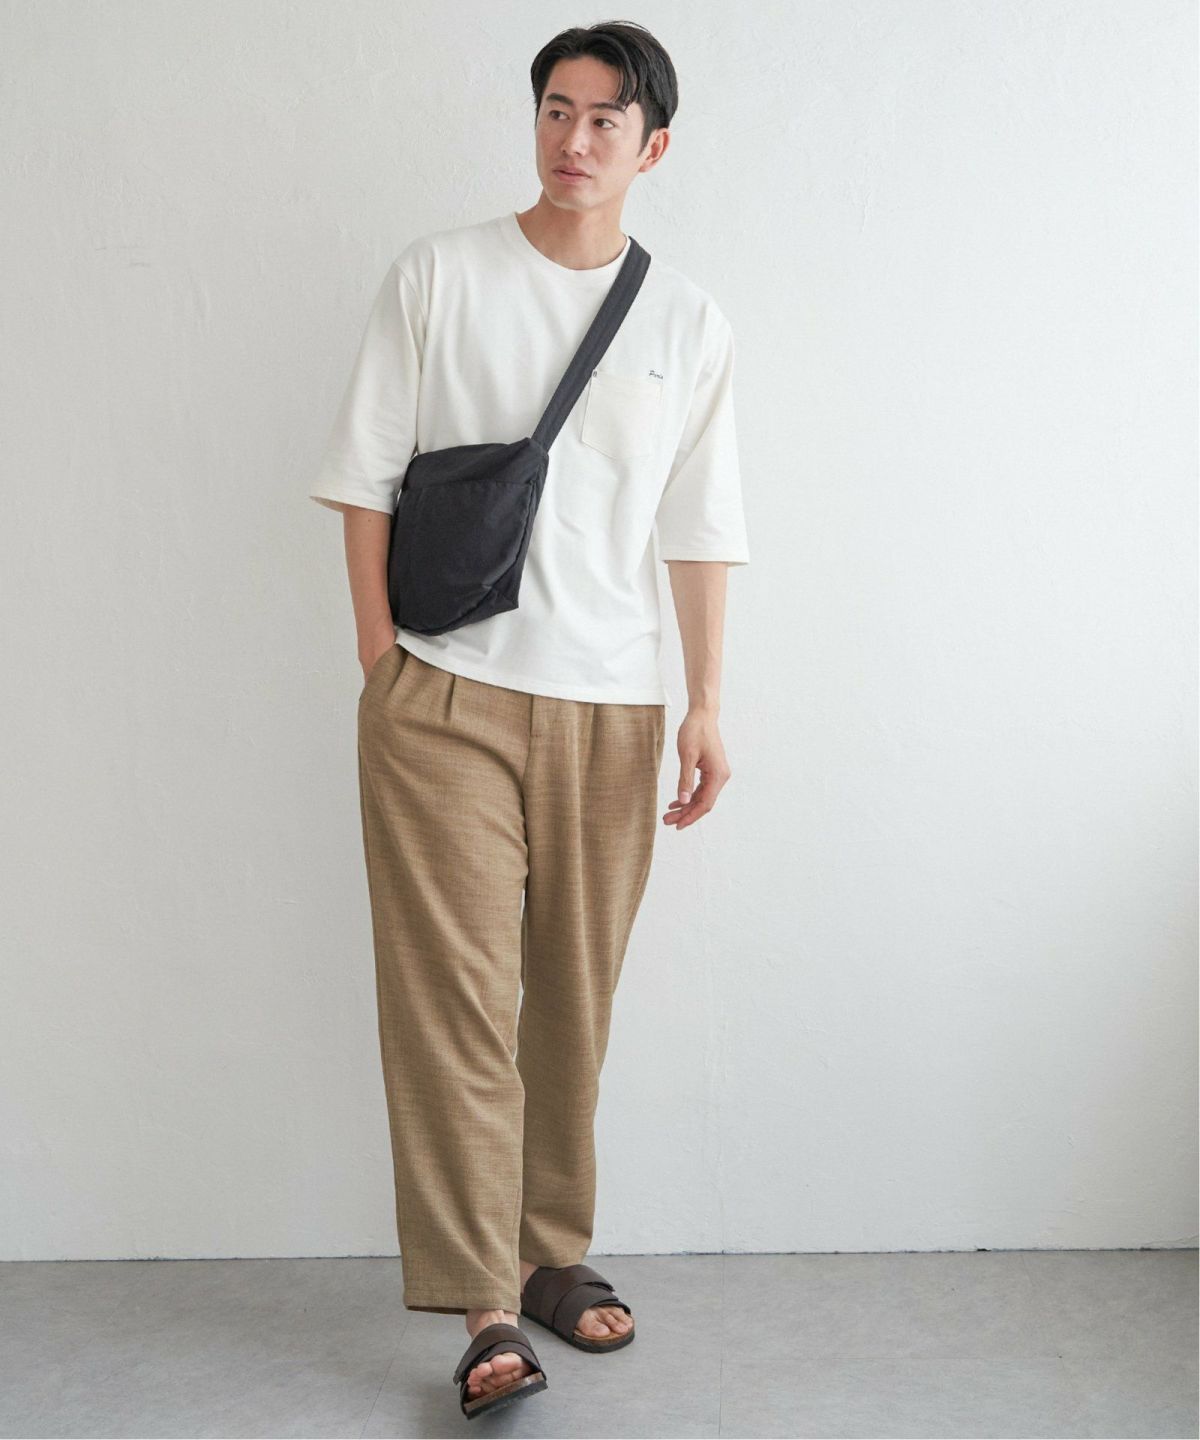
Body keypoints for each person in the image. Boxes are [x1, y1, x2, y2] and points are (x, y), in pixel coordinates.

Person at [308, 19, 750, 1421]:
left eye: (606, 119)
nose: (574, 138)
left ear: (653, 147)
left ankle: (550, 1250)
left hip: (612, 706)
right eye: (556, 108)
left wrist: (706, 703)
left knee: (571, 997)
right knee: (452, 1003)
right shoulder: (439, 275)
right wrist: (384, 665)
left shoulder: (686, 322)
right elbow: (364, 478)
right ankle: (485, 1305)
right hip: (443, 699)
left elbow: (699, 528)